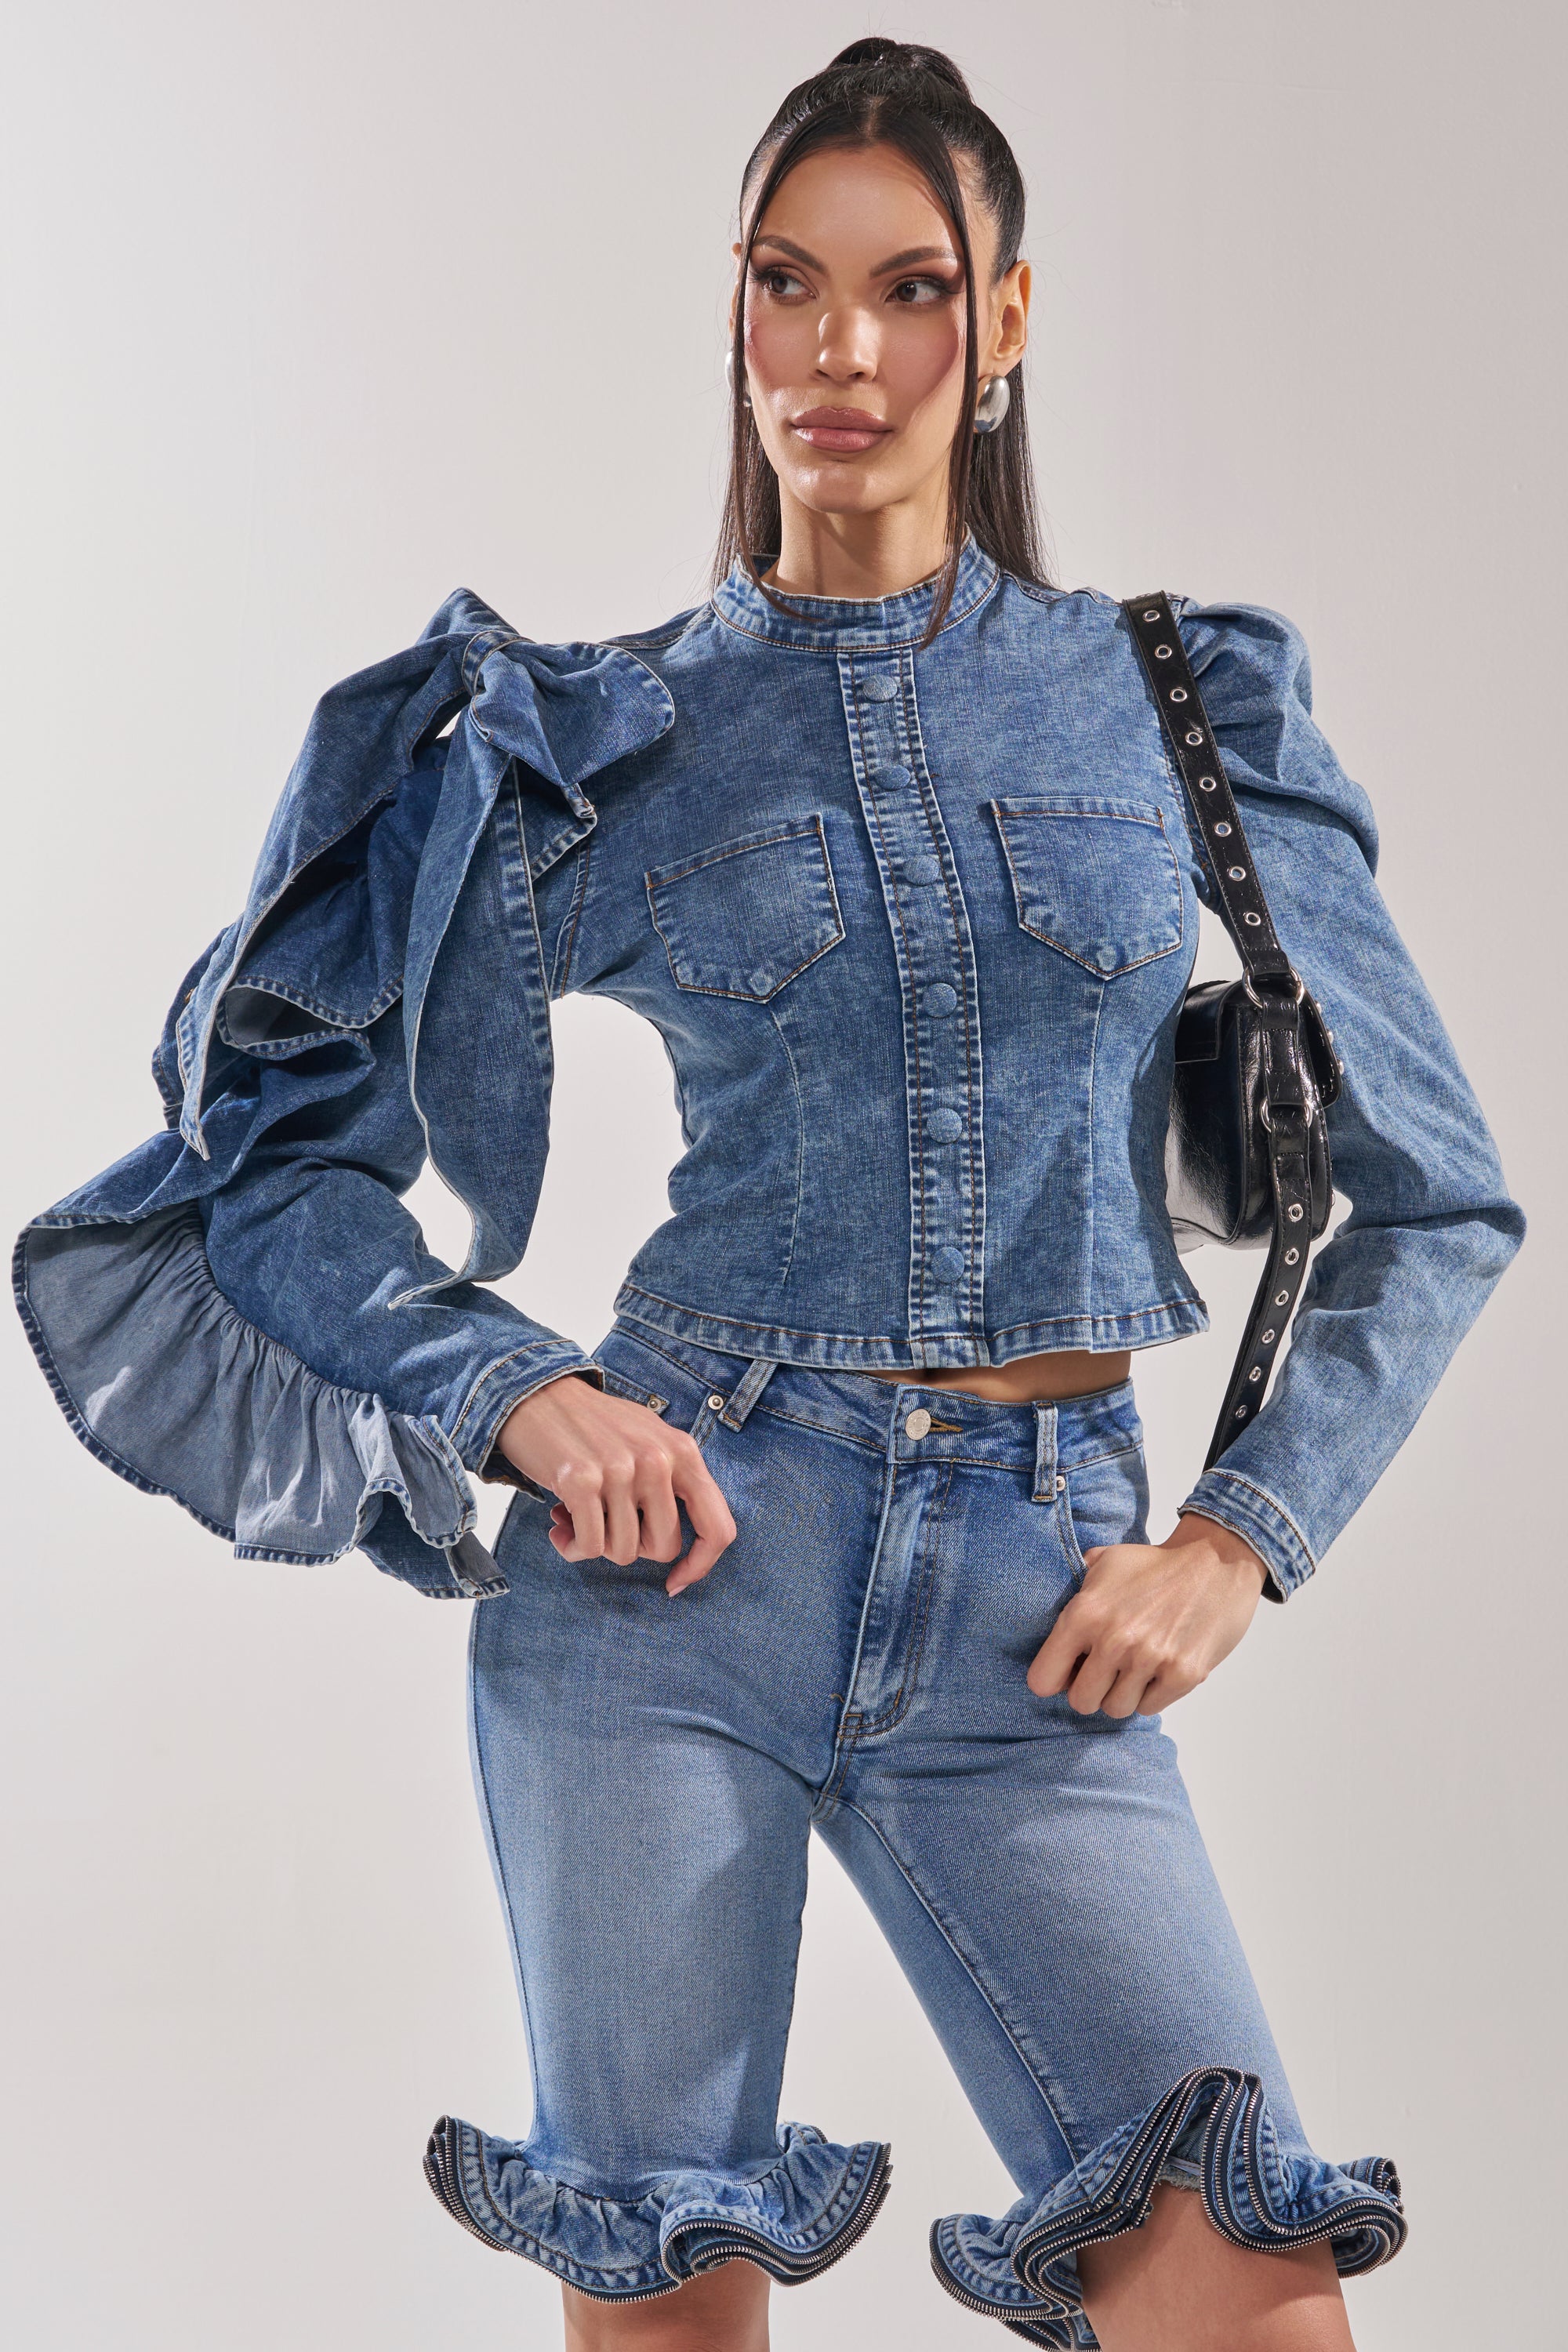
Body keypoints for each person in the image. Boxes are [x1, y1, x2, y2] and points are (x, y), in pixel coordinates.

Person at [15, 38, 1523, 2352]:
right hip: (671, 1583)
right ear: (732, 313)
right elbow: (267, 1179)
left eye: (912, 290)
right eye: (790, 285)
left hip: (1045, 1590)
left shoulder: (1179, 710)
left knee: (1255, 2304)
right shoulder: (591, 739)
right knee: (673, 2321)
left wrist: (1241, 1536)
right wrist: (517, 1397)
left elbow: (1441, 1195)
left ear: (1007, 322)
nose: (846, 352)